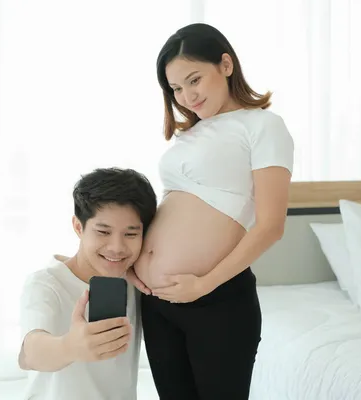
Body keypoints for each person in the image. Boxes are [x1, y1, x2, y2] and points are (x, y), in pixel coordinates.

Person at [128, 23, 294, 399]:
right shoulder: (189, 135)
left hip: (215, 299)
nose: (186, 95)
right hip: (157, 302)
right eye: (176, 89)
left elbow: (271, 226)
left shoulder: (263, 126)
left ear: (225, 64)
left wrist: (203, 284)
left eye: (194, 80)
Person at [18, 167, 157, 400]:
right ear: (78, 227)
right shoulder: (46, 283)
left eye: (131, 234)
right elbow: (29, 354)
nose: (117, 247)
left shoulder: (136, 283)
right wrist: (70, 346)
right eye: (103, 232)